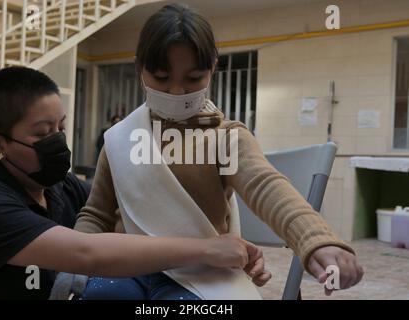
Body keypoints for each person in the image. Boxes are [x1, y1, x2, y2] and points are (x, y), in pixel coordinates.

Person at [55, 3, 363, 300]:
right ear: (140, 68)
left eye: (193, 78)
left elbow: (266, 186)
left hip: (201, 269)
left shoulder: (226, 137)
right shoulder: (120, 138)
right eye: (162, 78)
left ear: (213, 68)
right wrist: (77, 261)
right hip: (127, 266)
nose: (177, 91)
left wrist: (316, 239)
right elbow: (96, 214)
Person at [0, 67, 266, 300]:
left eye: (61, 128)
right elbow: (87, 253)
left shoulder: (60, 188)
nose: (57, 140)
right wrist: (206, 249)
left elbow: (130, 215)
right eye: (41, 134)